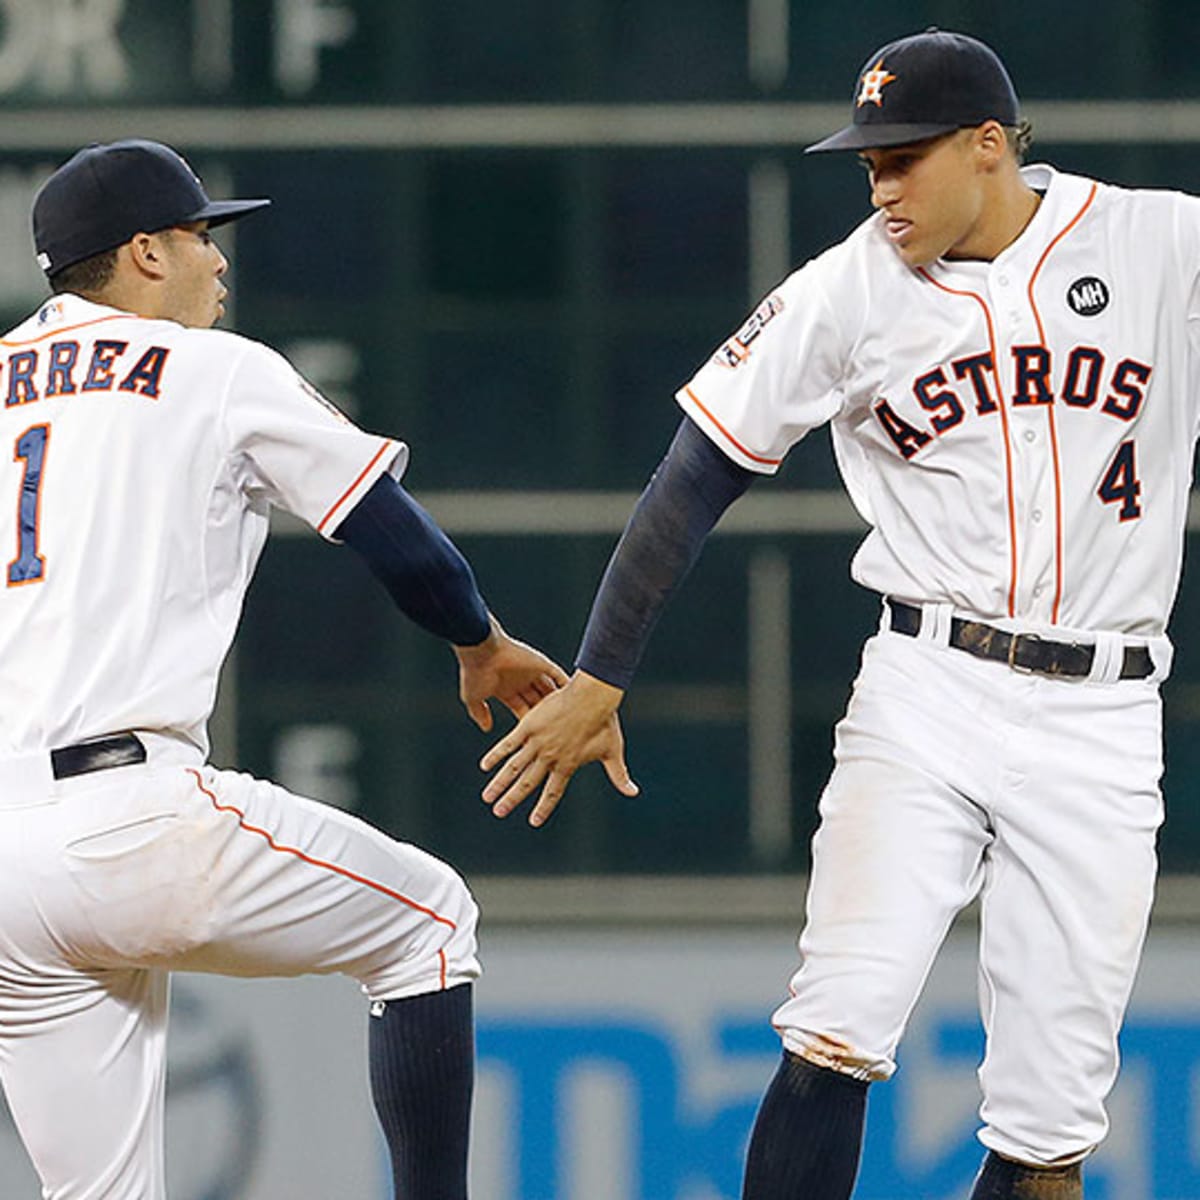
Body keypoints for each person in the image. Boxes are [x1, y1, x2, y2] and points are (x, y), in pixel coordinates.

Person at [478, 27, 1187, 1199]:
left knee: (1051, 1133)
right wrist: (602, 677)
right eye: (868, 163)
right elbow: (693, 475)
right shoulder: (847, 289)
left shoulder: (1162, 243)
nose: (880, 185)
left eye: (903, 158)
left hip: (1107, 714)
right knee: (838, 1025)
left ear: (990, 146)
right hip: (929, 688)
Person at [0, 138, 567, 1200]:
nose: (220, 261)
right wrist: (479, 642)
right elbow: (387, 530)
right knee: (431, 924)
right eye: (200, 236)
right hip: (129, 815)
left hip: (4, 859)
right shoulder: (213, 369)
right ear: (143, 253)